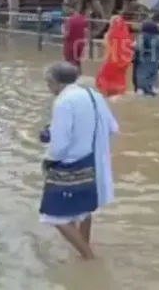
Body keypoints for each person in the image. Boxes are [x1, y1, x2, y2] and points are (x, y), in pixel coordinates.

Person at [40, 62, 119, 260]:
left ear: (55, 83)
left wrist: (48, 161)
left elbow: (59, 145)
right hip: (94, 161)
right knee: (84, 210)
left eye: (48, 84)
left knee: (55, 215)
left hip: (72, 163)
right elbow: (112, 127)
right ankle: (84, 250)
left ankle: (89, 256)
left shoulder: (63, 102)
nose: (48, 88)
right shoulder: (94, 95)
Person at [95, 15, 134, 98]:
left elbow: (106, 47)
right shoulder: (127, 35)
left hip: (111, 61)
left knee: (104, 79)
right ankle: (116, 96)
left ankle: (107, 96)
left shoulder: (109, 34)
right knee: (119, 81)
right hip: (123, 62)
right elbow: (129, 49)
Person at [134, 20, 159, 96]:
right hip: (155, 60)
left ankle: (141, 89)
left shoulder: (143, 36)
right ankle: (153, 88)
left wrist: (135, 50)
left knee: (142, 74)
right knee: (154, 74)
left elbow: (139, 47)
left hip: (145, 59)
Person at [63, 6, 88, 71]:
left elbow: (66, 34)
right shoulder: (84, 19)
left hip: (71, 44)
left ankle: (70, 78)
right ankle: (79, 76)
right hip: (81, 44)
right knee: (78, 62)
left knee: (69, 62)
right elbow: (86, 32)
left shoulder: (69, 21)